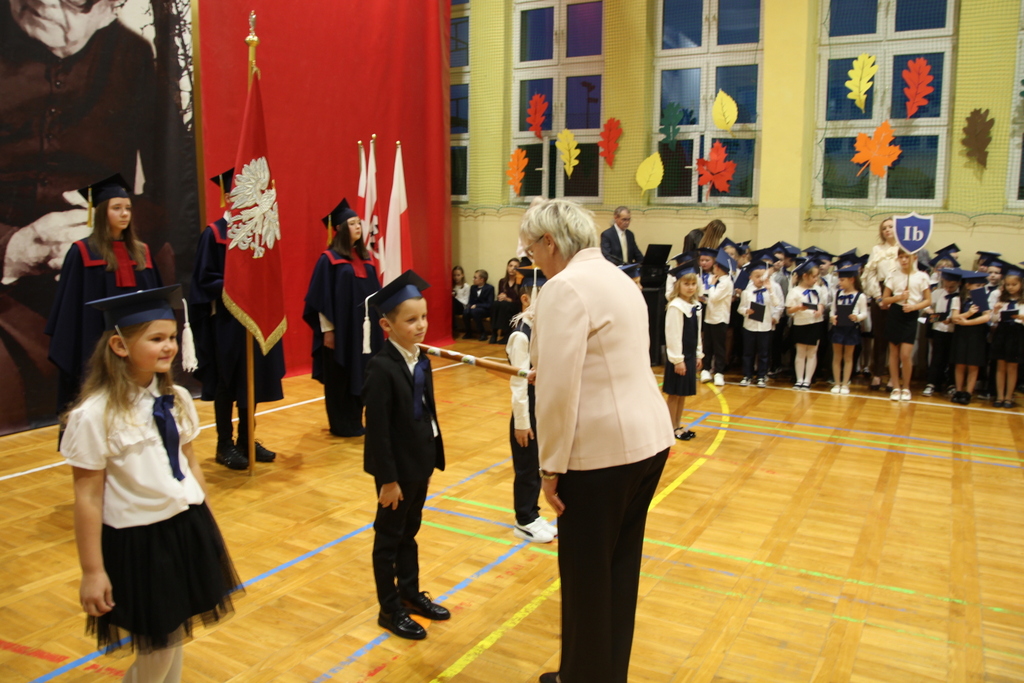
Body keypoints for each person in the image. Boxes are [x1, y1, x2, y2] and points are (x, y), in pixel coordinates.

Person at [1, 0, 196, 434]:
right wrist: (11, 246)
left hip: (104, 268)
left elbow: (169, 189)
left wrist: (111, 224)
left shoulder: (131, 53)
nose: (63, 20)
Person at [522, 199, 674, 683]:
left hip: (601, 455)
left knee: (586, 578)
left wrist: (549, 468)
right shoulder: (618, 277)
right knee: (619, 570)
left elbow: (557, 392)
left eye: (531, 249)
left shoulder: (564, 286)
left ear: (550, 242)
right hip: (649, 440)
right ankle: (605, 674)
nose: (531, 259)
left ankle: (582, 677)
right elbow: (611, 356)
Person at [62, 286, 242, 681]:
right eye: (156, 338)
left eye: (173, 337)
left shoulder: (178, 398)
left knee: (174, 640)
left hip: (185, 526)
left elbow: (190, 464)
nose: (169, 347)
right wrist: (92, 570)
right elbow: (87, 496)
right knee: (157, 650)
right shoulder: (93, 415)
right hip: (140, 541)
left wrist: (209, 525)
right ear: (119, 346)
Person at [363, 271, 450, 640]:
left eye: (424, 317)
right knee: (388, 539)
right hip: (396, 472)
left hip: (419, 463)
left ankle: (410, 593)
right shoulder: (381, 368)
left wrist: (431, 455)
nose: (421, 325)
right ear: (387, 325)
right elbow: (378, 431)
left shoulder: (421, 359)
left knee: (409, 532)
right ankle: (389, 608)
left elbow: (426, 411)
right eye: (411, 320)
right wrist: (388, 480)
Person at [189, 170, 284, 469]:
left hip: (254, 319)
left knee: (250, 379)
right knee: (226, 382)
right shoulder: (214, 234)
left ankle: (246, 438)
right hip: (226, 322)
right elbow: (204, 280)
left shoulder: (258, 231)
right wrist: (237, 286)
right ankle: (224, 444)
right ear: (229, 197)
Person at [46, 175, 163, 417]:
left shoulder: (141, 252)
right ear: (100, 212)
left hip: (136, 342)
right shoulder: (82, 252)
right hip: (95, 344)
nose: (124, 214)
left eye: (128, 208)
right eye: (116, 208)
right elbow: (69, 308)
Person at [303, 199, 383, 438]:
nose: (358, 226)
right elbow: (320, 297)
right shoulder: (329, 259)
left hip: (365, 333)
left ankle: (356, 419)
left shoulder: (366, 259)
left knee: (364, 371)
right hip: (341, 331)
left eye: (359, 222)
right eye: (352, 223)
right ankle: (340, 423)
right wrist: (328, 330)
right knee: (340, 375)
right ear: (339, 228)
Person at [506, 267, 558, 543]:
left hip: (541, 407)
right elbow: (518, 384)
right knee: (526, 468)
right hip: (526, 412)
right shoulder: (521, 335)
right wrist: (522, 423)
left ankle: (533, 513)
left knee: (537, 463)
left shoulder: (540, 330)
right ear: (526, 300)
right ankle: (523, 519)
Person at [881, 249, 931, 401]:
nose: (903, 260)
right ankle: (896, 387)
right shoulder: (893, 275)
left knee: (905, 354)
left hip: (910, 314)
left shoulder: (922, 276)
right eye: (901, 257)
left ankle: (906, 387)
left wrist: (914, 307)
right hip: (895, 313)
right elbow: (885, 299)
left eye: (906, 257)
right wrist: (899, 297)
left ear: (914, 258)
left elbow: (928, 300)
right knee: (894, 353)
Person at [664, 261, 703, 439]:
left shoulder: (694, 305)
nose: (690, 287)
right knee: (674, 394)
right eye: (686, 284)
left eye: (693, 284)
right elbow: (673, 335)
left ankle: (677, 424)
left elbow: (697, 332)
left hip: (689, 356)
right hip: (679, 358)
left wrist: (698, 354)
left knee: (682, 395)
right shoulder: (676, 306)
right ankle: (669, 428)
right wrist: (677, 360)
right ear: (678, 285)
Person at [861, 218, 899, 390]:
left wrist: (895, 297)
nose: (887, 230)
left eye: (891, 227)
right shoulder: (877, 250)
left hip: (898, 293)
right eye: (884, 228)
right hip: (880, 292)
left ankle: (893, 376)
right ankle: (877, 374)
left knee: (895, 338)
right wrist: (879, 297)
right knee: (880, 336)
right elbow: (870, 274)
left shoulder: (903, 249)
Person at [950, 270, 993, 404]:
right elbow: (954, 318)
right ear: (968, 285)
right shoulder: (958, 299)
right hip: (961, 334)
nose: (980, 288)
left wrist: (968, 322)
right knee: (960, 363)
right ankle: (958, 391)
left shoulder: (983, 299)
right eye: (977, 285)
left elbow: (986, 317)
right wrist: (968, 314)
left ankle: (968, 392)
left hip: (977, 333)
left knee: (973, 364)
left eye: (982, 286)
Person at [739, 256, 781, 387]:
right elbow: (740, 308)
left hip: (765, 327)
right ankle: (747, 375)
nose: (760, 279)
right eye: (757, 276)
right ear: (751, 277)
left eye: (762, 277)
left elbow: (777, 303)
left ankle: (761, 376)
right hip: (750, 326)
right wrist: (746, 311)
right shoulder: (747, 292)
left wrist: (770, 290)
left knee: (763, 353)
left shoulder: (769, 291)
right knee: (748, 353)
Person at [786, 259, 825, 390]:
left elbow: (821, 303)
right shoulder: (795, 291)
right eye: (813, 276)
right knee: (801, 352)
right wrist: (798, 307)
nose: (816, 279)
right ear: (805, 276)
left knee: (812, 352)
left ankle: (807, 380)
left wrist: (820, 310)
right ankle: (799, 379)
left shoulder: (818, 289)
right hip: (801, 324)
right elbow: (789, 310)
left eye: (817, 276)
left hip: (815, 323)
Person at [829, 265, 868, 395]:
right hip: (838, 328)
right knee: (836, 356)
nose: (839, 282)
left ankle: (845, 383)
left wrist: (857, 317)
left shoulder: (860, 296)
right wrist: (832, 317)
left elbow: (864, 313)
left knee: (848, 357)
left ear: (851, 280)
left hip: (851, 329)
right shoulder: (838, 294)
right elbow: (833, 310)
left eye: (842, 280)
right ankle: (837, 383)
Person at [922, 268, 961, 397]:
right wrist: (930, 311)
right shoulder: (938, 293)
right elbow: (927, 305)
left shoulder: (961, 295)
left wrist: (952, 319)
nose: (948, 289)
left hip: (954, 331)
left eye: (952, 287)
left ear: (958, 284)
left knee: (952, 358)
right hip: (939, 329)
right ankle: (932, 383)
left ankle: (951, 384)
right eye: (946, 286)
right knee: (937, 357)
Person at [991, 269, 1024, 408]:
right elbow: (993, 320)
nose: (1011, 287)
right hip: (1002, 332)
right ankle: (1000, 396)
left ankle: (1009, 397)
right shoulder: (1001, 299)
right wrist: (996, 311)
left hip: (1017, 333)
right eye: (1008, 284)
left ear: (1021, 284)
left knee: (1012, 367)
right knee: (1001, 366)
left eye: (1014, 284)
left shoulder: (1022, 301)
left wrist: (1021, 318)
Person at [701, 249, 733, 386]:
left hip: (720, 319)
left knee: (719, 347)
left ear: (718, 267)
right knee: (707, 345)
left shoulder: (725, 282)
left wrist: (712, 285)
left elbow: (714, 297)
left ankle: (719, 372)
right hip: (709, 317)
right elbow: (710, 299)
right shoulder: (716, 279)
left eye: (714, 266)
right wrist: (703, 299)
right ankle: (706, 369)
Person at [489, 257, 522, 344]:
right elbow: (500, 295)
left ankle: (507, 335)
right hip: (503, 305)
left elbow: (519, 300)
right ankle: (494, 333)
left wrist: (508, 299)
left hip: (515, 306)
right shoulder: (502, 281)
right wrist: (501, 297)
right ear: (507, 267)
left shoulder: (520, 282)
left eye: (515, 266)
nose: (512, 268)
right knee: (495, 304)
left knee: (504, 305)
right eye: (510, 266)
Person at [462, 269, 494, 341]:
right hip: (474, 308)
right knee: (465, 312)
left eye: (475, 278)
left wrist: (477, 306)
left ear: (482, 279)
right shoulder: (473, 288)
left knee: (475, 312)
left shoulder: (490, 288)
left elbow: (489, 304)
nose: (473, 279)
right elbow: (471, 301)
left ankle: (483, 333)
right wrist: (470, 306)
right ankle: (468, 332)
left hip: (485, 310)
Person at [451, 266, 469, 335]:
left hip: (462, 307)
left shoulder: (466, 286)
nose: (456, 277)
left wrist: (455, 297)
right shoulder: (452, 285)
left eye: (458, 275)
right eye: (454, 275)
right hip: (453, 306)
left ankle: (454, 326)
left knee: (453, 300)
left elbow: (466, 302)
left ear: (462, 275)